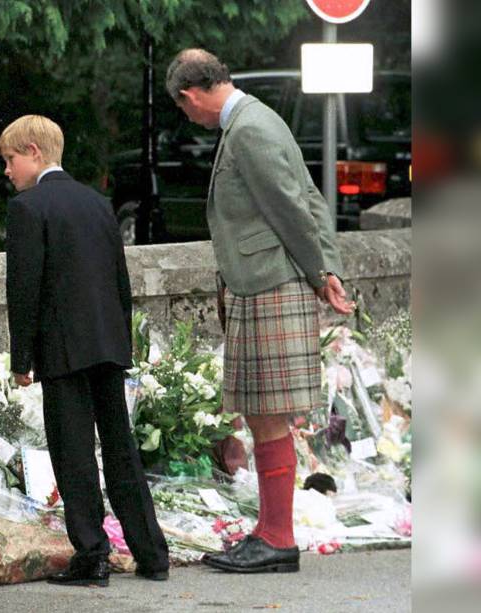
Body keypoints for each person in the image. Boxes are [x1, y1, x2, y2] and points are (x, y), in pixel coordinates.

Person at [164, 49, 356, 573]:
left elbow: (293, 207)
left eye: (185, 110)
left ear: (191, 94)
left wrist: (322, 275)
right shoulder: (256, 119)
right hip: (268, 281)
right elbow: (310, 197)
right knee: (262, 412)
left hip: (270, 283)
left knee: (267, 415)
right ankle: (273, 534)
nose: (190, 118)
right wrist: (328, 268)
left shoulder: (248, 127)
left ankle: (277, 539)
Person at [0, 115, 170, 587]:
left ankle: (92, 553)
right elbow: (120, 279)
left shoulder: (28, 208)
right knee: (121, 451)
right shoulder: (98, 204)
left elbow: (24, 288)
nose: (8, 171)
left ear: (33, 152)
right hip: (107, 343)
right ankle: (152, 553)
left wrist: (21, 359)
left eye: (10, 160)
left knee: (73, 453)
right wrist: (123, 343)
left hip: (62, 348)